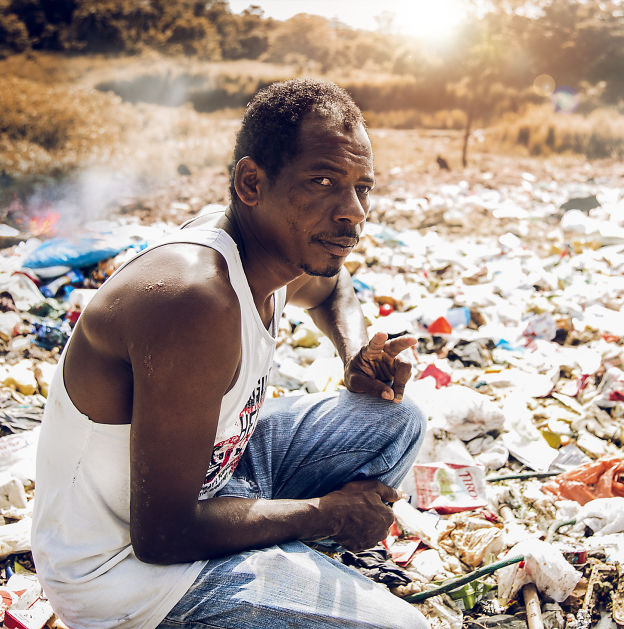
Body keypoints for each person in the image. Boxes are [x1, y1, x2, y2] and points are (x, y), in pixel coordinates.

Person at [32, 78, 429, 629]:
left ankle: (275, 564)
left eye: (364, 187)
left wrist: (355, 353)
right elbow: (162, 536)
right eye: (323, 181)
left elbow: (335, 290)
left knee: (396, 419)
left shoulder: (271, 254)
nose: (354, 212)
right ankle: (264, 572)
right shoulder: (194, 300)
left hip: (216, 480)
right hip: (125, 573)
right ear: (251, 182)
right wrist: (323, 516)